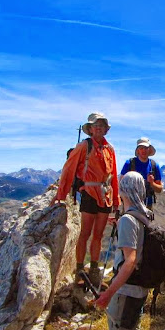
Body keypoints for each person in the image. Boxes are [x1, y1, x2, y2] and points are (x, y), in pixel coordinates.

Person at [95, 171, 153, 330]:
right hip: (139, 292)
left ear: (125, 190)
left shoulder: (130, 220)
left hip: (125, 293)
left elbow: (129, 262)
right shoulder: (144, 215)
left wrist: (108, 294)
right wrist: (122, 222)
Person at [51, 112, 119, 286]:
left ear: (105, 129)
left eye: (102, 126)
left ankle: (94, 271)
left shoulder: (110, 149)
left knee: (98, 235)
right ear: (90, 129)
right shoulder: (83, 146)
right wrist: (61, 194)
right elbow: (69, 169)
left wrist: (116, 202)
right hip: (89, 193)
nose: (99, 128)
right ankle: (80, 272)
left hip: (106, 195)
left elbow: (114, 177)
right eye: (96, 126)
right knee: (85, 234)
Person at [120, 137, 163, 209]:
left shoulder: (154, 166)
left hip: (147, 205)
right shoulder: (129, 163)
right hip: (130, 203)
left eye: (146, 148)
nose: (144, 150)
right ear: (138, 151)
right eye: (141, 148)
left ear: (149, 150)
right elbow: (121, 185)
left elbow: (159, 189)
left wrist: (152, 183)